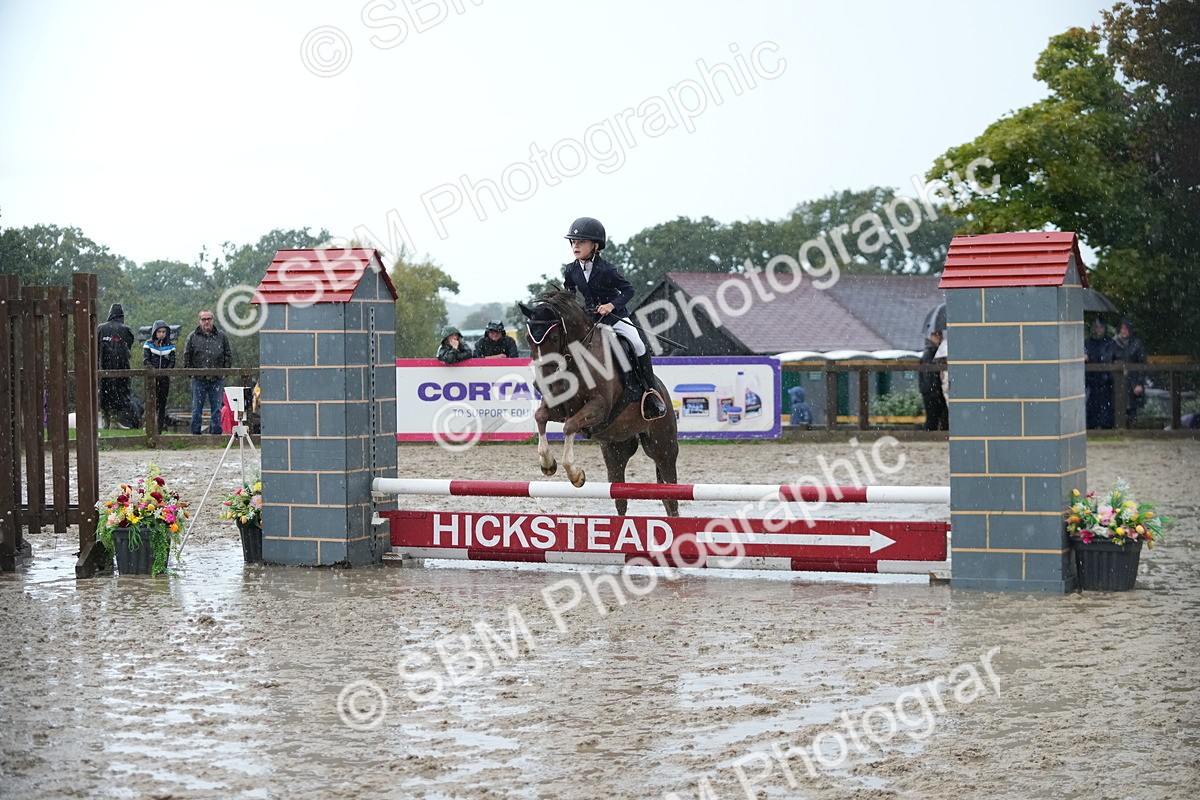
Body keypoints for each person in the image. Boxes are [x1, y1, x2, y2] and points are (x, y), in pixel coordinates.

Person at [561, 216, 666, 418]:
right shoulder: (571, 270)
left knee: (638, 344)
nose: (576, 246)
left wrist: (611, 305)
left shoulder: (607, 269)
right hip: (590, 321)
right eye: (573, 242)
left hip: (615, 319)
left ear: (595, 245)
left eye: (581, 242)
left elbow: (628, 290)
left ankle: (651, 391)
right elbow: (570, 294)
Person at [183, 310, 233, 435]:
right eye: (204, 319)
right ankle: (195, 435)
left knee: (217, 408)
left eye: (209, 319)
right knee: (196, 408)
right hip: (198, 379)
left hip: (217, 378)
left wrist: (224, 371)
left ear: (213, 320)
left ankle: (216, 434)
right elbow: (187, 356)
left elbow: (228, 355)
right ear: (199, 320)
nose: (206, 322)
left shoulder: (222, 336)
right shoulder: (192, 336)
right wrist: (191, 373)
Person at [96, 303, 134, 429]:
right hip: (121, 367)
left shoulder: (101, 328)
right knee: (119, 392)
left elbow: (95, 347)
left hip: (103, 367)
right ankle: (114, 420)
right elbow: (129, 346)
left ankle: (106, 420)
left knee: (104, 392)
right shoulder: (125, 330)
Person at [1110, 317, 1147, 426]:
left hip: (1133, 382)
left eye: (1126, 328)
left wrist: (1139, 383)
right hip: (1118, 383)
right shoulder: (1114, 344)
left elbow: (1142, 364)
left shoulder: (1137, 344)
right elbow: (1109, 362)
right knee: (1117, 409)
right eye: (1122, 328)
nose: (1124, 331)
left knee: (1132, 411)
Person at [142, 320, 176, 434]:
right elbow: (146, 360)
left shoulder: (170, 345)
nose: (161, 334)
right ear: (155, 332)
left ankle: (159, 429)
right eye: (159, 331)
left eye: (164, 332)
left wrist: (166, 371)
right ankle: (150, 428)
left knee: (162, 404)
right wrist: (154, 371)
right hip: (152, 378)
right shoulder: (148, 344)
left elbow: (172, 361)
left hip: (164, 378)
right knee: (151, 403)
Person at [1084, 317, 1114, 429]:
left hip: (1105, 381)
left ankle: (1105, 427)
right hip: (1090, 381)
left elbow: (1108, 358)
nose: (1098, 330)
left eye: (1100, 327)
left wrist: (1091, 358)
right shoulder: (1087, 343)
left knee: (1105, 408)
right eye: (1096, 327)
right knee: (1091, 407)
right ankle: (1092, 426)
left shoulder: (1109, 343)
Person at [919, 328, 949, 430]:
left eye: (939, 334)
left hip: (934, 391)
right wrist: (933, 391)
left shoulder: (935, 352)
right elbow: (929, 375)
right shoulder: (930, 353)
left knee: (935, 417)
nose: (938, 337)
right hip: (932, 392)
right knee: (933, 418)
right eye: (936, 335)